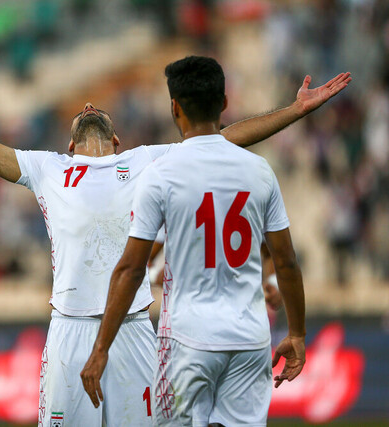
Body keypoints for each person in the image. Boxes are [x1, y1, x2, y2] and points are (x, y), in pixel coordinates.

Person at [0, 68, 349, 426]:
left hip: (133, 335)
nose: (87, 108)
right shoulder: (48, 170)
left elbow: (227, 137)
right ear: (68, 145)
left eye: (96, 108)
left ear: (119, 139)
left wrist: (295, 111)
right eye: (80, 111)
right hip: (70, 333)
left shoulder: (151, 162)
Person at [80, 56, 311, 426]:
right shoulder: (259, 171)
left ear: (174, 107)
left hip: (189, 341)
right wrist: (297, 333)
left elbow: (131, 268)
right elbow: (286, 262)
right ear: (223, 103)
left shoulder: (160, 175)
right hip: (251, 340)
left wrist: (101, 347)